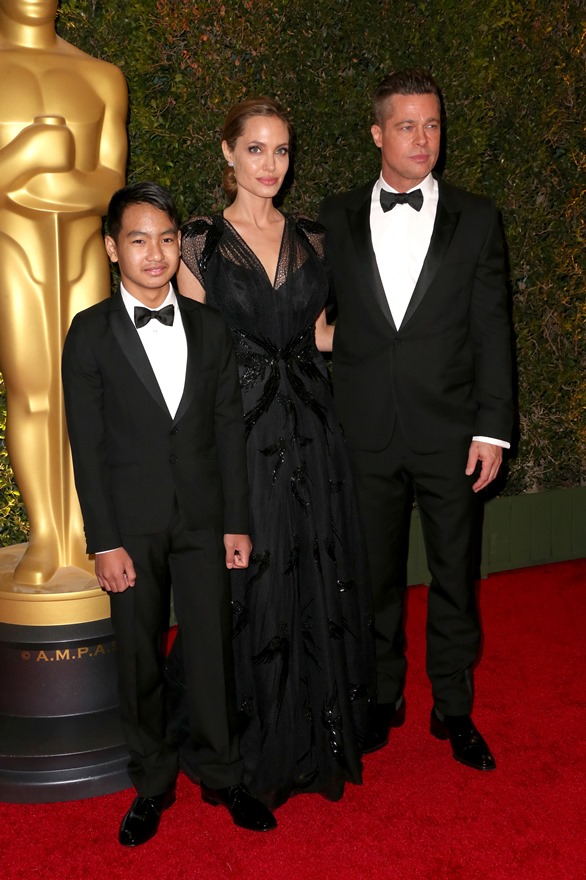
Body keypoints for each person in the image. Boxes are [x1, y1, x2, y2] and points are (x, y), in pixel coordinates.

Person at [171, 96, 375, 810]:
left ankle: (316, 738)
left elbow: (320, 336)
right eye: (255, 149)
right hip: (244, 432)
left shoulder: (313, 237)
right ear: (227, 153)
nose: (270, 165)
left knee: (317, 573)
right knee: (251, 584)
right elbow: (197, 356)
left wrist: (395, 344)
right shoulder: (198, 242)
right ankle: (247, 750)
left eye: (281, 150)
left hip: (315, 427)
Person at [62, 182, 276, 846]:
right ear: (111, 249)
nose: (155, 254)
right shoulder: (89, 332)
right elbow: (86, 447)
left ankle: (222, 772)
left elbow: (229, 431)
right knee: (139, 659)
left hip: (205, 520)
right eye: (138, 240)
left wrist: (236, 522)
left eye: (166, 239)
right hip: (130, 528)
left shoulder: (211, 328)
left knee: (212, 650)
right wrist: (104, 541)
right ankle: (152, 782)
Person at [318, 69, 513, 771]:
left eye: (432, 125)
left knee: (456, 575)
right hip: (364, 430)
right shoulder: (335, 216)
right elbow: (314, 312)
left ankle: (453, 707)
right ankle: (381, 696)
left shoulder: (477, 217)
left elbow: (493, 330)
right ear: (377, 134)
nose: (423, 139)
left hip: (452, 434)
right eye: (406, 126)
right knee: (373, 577)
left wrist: (493, 428)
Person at [0, 0, 128, 586]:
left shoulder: (101, 76)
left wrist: (43, 183)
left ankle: (84, 530)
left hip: (82, 254)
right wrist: (25, 155)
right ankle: (46, 536)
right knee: (31, 393)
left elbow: (112, 185)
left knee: (89, 392)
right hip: (13, 251)